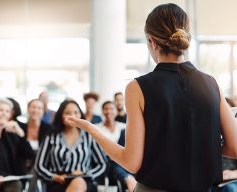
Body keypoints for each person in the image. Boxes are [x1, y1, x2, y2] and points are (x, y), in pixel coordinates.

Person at [66, 3, 237, 191]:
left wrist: (92, 130)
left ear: (151, 41)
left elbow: (131, 163)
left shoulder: (137, 88)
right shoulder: (211, 84)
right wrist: (198, 147)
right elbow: (234, 147)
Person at [35, 99, 107, 192]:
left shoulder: (89, 136)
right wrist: (55, 177)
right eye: (67, 113)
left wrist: (85, 173)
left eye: (76, 112)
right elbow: (39, 166)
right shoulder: (51, 136)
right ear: (61, 115)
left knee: (78, 182)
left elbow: (102, 164)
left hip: (85, 179)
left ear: (81, 114)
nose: (73, 116)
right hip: (58, 182)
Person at [96, 101, 136, 191]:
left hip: (121, 159)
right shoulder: (96, 128)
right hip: (104, 161)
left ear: (116, 111)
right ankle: (129, 180)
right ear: (102, 111)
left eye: (112, 109)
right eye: (106, 109)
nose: (109, 111)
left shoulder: (123, 127)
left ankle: (130, 180)